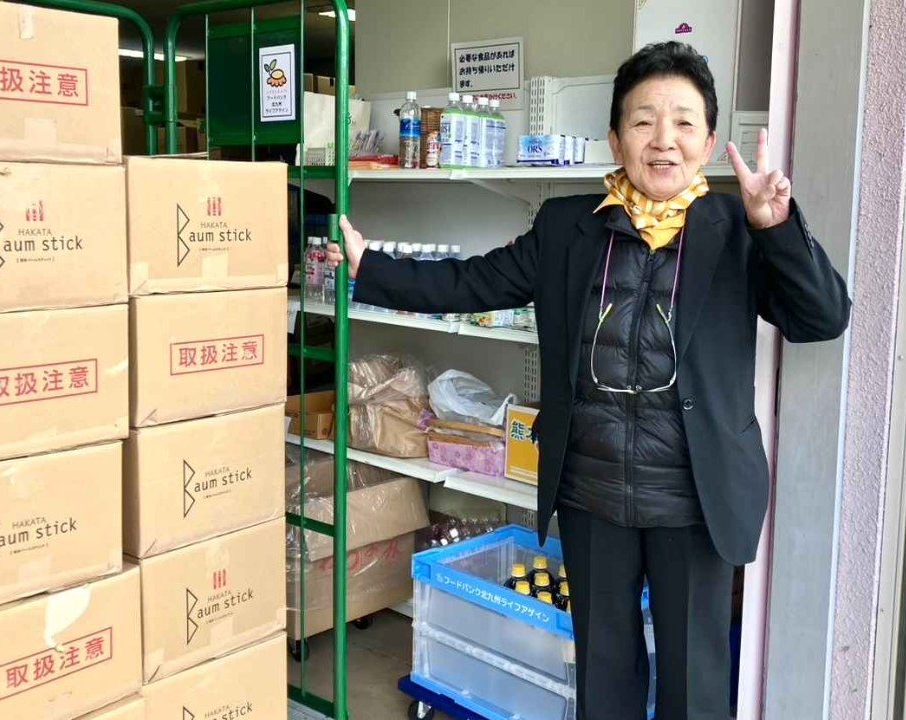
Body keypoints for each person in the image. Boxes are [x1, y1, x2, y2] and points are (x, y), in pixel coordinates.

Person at [327, 41, 851, 720]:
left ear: (709, 141)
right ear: (614, 138)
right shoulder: (567, 226)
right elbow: (473, 282)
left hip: (694, 496)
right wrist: (373, 267)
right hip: (591, 489)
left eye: (683, 123)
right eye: (643, 121)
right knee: (604, 673)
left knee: (694, 685)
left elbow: (821, 319)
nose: (663, 140)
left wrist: (777, 229)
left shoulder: (738, 231)